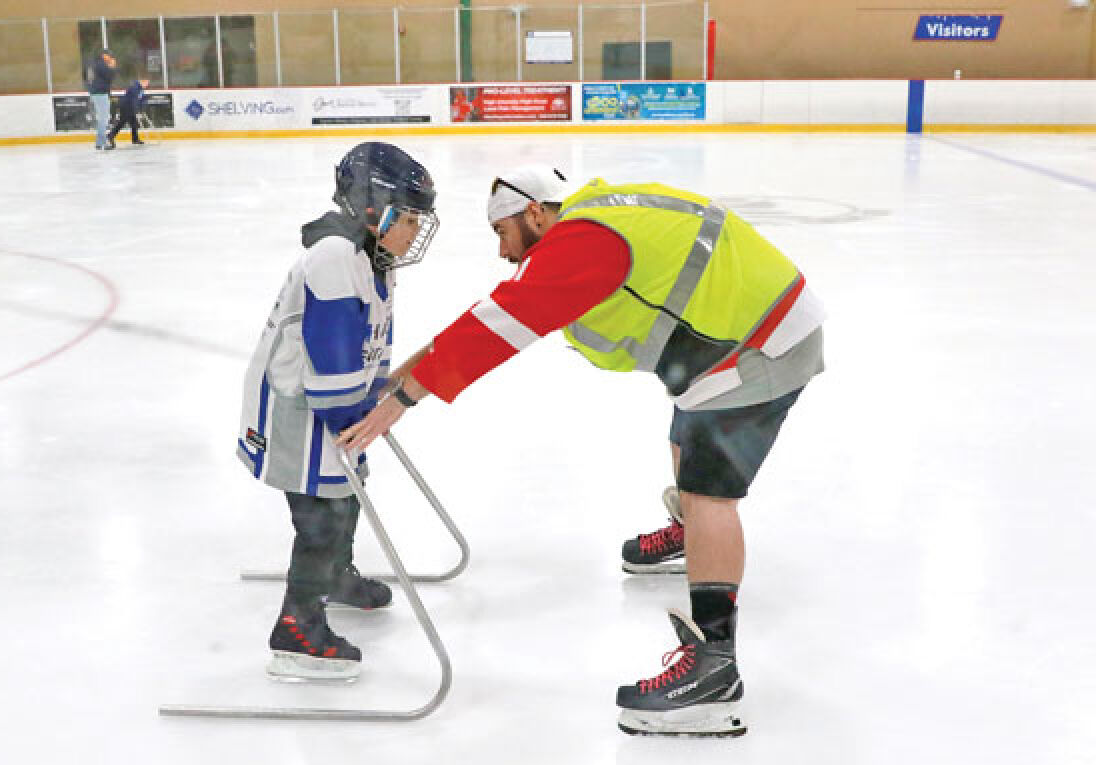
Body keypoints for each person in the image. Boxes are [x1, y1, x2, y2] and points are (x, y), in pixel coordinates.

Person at [338, 166, 826, 736]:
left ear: (535, 214)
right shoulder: (593, 218)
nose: (503, 252)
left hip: (762, 344)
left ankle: (716, 673)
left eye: (502, 233)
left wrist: (403, 399)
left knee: (709, 493)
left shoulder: (583, 246)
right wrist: (397, 376)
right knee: (685, 432)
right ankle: (688, 532)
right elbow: (492, 311)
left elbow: (496, 330)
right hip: (737, 332)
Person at [236, 142, 439, 682]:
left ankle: (336, 576)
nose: (416, 229)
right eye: (410, 216)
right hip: (298, 409)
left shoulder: (375, 258)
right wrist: (359, 411)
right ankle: (297, 628)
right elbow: (328, 360)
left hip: (333, 406)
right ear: (372, 207)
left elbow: (369, 342)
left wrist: (376, 399)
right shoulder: (333, 256)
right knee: (319, 516)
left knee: (347, 494)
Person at [85, 49, 117, 151]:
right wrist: (112, 67)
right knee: (104, 118)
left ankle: (99, 142)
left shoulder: (94, 64)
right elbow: (109, 77)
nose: (110, 58)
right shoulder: (101, 65)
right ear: (104, 56)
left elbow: (89, 79)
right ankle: (103, 142)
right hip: (100, 93)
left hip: (96, 92)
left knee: (102, 118)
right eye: (109, 56)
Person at [106, 77, 150, 148]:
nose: (147, 84)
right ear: (142, 81)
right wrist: (136, 110)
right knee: (122, 122)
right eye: (146, 82)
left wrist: (142, 108)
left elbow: (141, 99)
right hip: (126, 107)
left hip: (131, 107)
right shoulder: (135, 87)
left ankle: (135, 139)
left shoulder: (140, 88)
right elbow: (134, 100)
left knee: (134, 123)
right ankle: (110, 135)